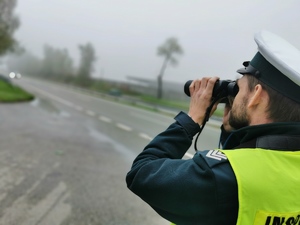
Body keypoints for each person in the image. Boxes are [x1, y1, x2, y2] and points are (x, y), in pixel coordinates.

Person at [126, 30, 300, 225]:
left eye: (239, 88)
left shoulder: (219, 177)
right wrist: (230, 131)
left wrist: (191, 120)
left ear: (256, 95)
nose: (234, 96)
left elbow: (141, 174)